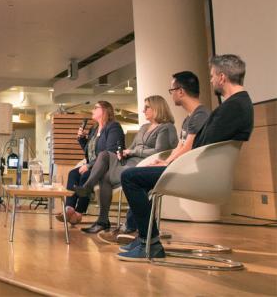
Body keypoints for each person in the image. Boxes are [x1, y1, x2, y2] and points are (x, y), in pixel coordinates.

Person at [119, 55, 254, 261]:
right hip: (195, 169)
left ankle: (150, 242)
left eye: (211, 76)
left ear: (222, 77)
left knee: (130, 177)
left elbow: (199, 145)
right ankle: (146, 238)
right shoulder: (236, 104)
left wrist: (171, 161)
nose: (210, 80)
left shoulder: (233, 107)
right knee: (136, 176)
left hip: (197, 173)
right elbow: (201, 143)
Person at [72, 95, 178, 233]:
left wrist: (133, 151)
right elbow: (132, 146)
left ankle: (100, 215)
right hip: (129, 161)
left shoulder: (166, 127)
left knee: (105, 176)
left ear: (157, 108)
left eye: (147, 107)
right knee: (104, 155)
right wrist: (124, 152)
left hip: (145, 164)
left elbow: (160, 151)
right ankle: (98, 212)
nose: (143, 110)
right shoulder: (144, 127)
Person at [62, 101, 124, 226]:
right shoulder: (94, 129)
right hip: (92, 164)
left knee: (86, 175)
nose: (92, 110)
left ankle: (79, 213)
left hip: (105, 167)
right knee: (73, 173)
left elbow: (110, 152)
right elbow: (89, 151)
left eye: (96, 108)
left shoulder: (113, 127)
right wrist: (81, 140)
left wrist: (89, 166)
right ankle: (69, 209)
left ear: (105, 110)